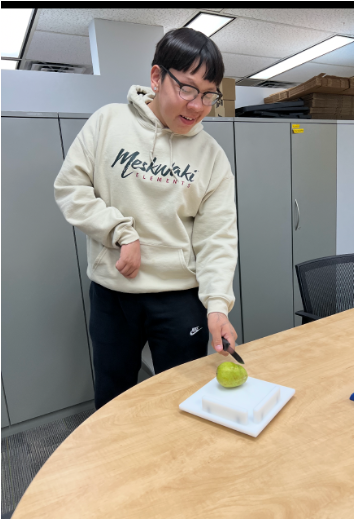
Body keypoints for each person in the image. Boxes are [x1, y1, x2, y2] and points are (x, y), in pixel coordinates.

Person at [54, 27, 238, 410]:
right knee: (113, 394)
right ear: (156, 78)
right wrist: (121, 232)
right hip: (114, 293)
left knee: (182, 399)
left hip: (180, 297)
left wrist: (217, 306)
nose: (197, 105)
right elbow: (71, 189)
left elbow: (216, 236)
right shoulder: (108, 123)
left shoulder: (212, 156)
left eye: (208, 94)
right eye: (187, 88)